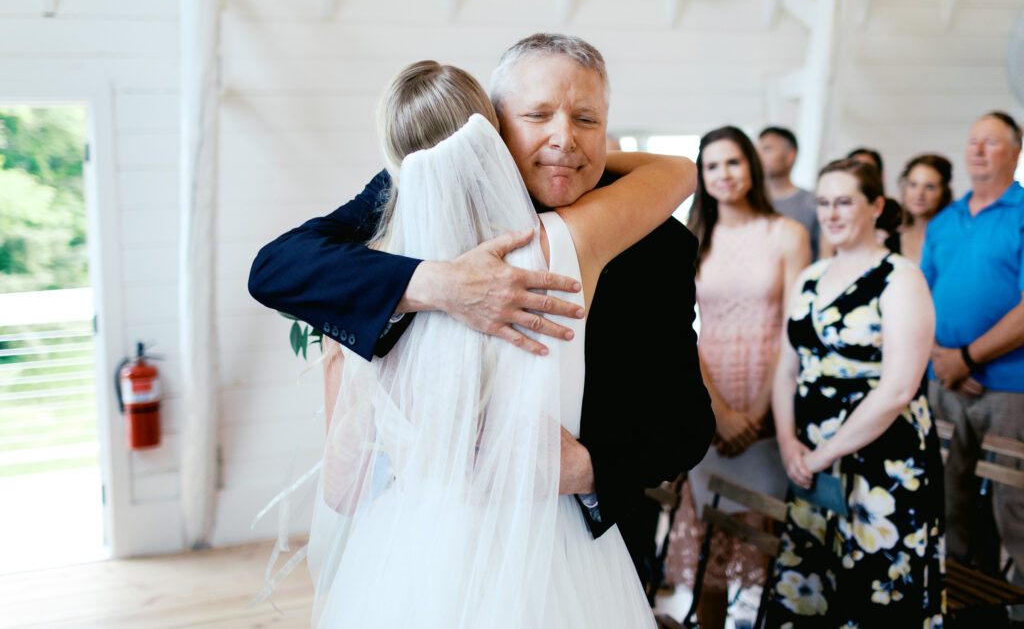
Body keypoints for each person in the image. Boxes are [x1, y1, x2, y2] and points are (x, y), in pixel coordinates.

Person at [248, 33, 715, 586]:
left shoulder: (659, 246)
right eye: (538, 115)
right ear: (490, 126)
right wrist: (442, 284)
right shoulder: (424, 189)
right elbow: (279, 266)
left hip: (588, 552)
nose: (565, 138)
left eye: (587, 120)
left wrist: (587, 469)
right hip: (446, 550)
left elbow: (688, 424)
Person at [766, 158, 945, 627]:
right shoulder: (810, 277)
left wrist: (823, 455)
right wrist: (789, 444)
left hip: (883, 459)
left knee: (878, 591)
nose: (832, 213)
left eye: (845, 201)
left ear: (877, 206)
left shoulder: (901, 278)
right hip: (809, 460)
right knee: (815, 585)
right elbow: (786, 370)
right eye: (824, 202)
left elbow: (899, 388)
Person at [664, 126, 809, 628]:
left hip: (773, 388)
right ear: (701, 176)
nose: (723, 174)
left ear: (751, 166)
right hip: (708, 385)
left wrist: (760, 412)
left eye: (733, 162)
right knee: (710, 539)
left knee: (767, 533)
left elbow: (795, 327)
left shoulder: (788, 234)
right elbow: (678, 325)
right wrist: (720, 414)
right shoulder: (694, 236)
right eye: (712, 165)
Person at [923, 111, 1024, 621]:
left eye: (991, 142)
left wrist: (964, 358)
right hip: (942, 384)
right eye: (972, 142)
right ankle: (957, 612)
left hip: (1009, 390)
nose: (978, 151)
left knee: (1016, 511)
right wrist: (942, 362)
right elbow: (920, 299)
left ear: (1016, 150)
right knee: (945, 505)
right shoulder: (944, 222)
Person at [758, 126, 820, 259]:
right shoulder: (748, 201)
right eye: (757, 150)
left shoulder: (813, 203)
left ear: (790, 156)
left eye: (767, 149)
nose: (759, 156)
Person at [888, 154, 953, 264]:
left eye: (929, 187)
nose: (919, 194)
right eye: (913, 185)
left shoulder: (954, 238)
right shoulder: (890, 239)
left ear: (943, 192)